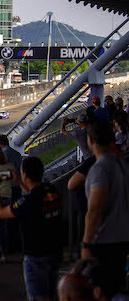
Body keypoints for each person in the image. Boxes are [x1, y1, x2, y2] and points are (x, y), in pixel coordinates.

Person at [0, 156, 63, 301]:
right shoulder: (52, 190)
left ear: (25, 174)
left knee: (37, 296)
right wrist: (20, 183)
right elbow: (34, 195)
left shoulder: (27, 202)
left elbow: (2, 213)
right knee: (51, 293)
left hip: (36, 255)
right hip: (55, 251)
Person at [82, 121, 129, 290]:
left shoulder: (100, 169)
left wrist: (87, 244)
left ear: (91, 141)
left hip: (105, 242)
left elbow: (95, 210)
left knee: (102, 290)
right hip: (123, 238)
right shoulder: (122, 164)